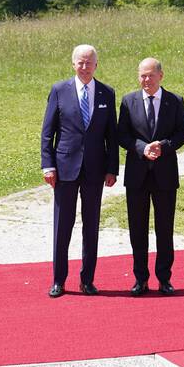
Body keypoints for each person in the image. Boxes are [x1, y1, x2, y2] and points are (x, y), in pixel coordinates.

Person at [41, 44, 119, 297]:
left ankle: (87, 279)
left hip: (95, 171)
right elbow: (47, 132)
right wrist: (48, 165)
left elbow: (112, 135)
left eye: (89, 63)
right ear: (73, 64)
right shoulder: (59, 90)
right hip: (64, 169)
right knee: (62, 225)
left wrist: (112, 169)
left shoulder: (107, 93)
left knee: (91, 225)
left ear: (97, 64)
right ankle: (58, 280)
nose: (85, 67)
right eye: (80, 63)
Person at [117, 58, 184, 295]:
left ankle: (164, 279)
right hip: (137, 174)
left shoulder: (175, 101)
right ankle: (141, 279)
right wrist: (140, 147)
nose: (146, 80)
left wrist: (164, 146)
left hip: (165, 174)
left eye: (150, 75)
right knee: (137, 229)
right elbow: (122, 135)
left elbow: (182, 133)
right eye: (142, 76)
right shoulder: (129, 101)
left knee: (164, 228)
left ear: (161, 75)